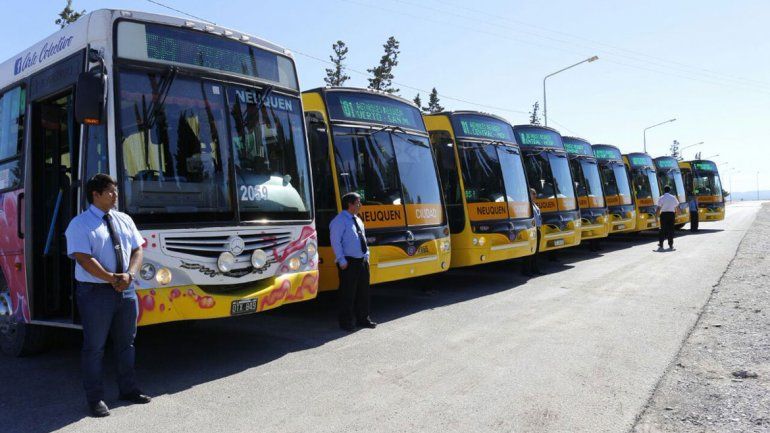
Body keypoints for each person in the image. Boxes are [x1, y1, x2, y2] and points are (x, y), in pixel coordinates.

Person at [65, 174, 150, 417]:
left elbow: (137, 248)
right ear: (96, 194)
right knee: (95, 347)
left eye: (115, 191)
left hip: (126, 289)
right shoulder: (79, 224)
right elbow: (84, 259)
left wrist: (130, 276)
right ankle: (95, 399)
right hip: (95, 292)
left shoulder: (124, 219)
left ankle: (128, 389)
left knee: (127, 343)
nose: (116, 195)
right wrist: (113, 278)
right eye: (111, 191)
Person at [329, 192, 376, 332]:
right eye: (358, 202)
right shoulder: (339, 220)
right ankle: (346, 321)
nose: (360, 205)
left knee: (363, 291)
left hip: (361, 261)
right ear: (350, 204)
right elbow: (335, 241)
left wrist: (366, 255)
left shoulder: (357, 219)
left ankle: (363, 319)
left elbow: (362, 238)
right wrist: (341, 259)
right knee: (348, 293)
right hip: (348, 262)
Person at [521, 188, 544, 276]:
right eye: (533, 194)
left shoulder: (534, 204)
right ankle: (526, 271)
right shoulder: (526, 204)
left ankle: (535, 270)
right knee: (529, 251)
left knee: (536, 251)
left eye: (535, 193)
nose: (535, 195)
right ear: (529, 194)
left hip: (537, 229)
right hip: (531, 230)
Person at [657, 185, 680, 250]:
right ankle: (670, 244)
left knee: (662, 229)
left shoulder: (661, 198)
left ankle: (661, 244)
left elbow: (658, 208)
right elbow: (677, 207)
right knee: (671, 229)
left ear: (664, 190)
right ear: (669, 190)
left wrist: (656, 216)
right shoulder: (673, 197)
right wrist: (678, 214)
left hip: (663, 215)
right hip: (671, 214)